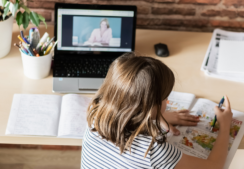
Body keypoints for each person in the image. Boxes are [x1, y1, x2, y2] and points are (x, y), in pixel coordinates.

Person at [81, 53, 233, 169]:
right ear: (149, 107)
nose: (167, 102)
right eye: (164, 99)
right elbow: (214, 166)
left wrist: (157, 116)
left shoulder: (94, 116)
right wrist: (225, 126)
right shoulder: (153, 151)